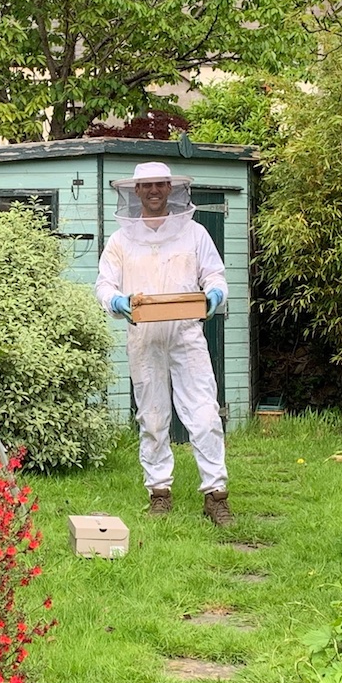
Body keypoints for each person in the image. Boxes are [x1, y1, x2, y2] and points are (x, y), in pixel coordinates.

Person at [95, 161, 233, 526]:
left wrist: (215, 294)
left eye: (160, 184)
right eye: (147, 185)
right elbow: (104, 285)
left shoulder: (195, 233)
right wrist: (117, 301)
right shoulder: (120, 240)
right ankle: (159, 493)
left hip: (186, 334)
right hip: (144, 337)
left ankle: (216, 496)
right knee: (152, 417)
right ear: (136, 191)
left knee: (204, 414)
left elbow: (215, 275)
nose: (154, 191)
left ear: (170, 188)